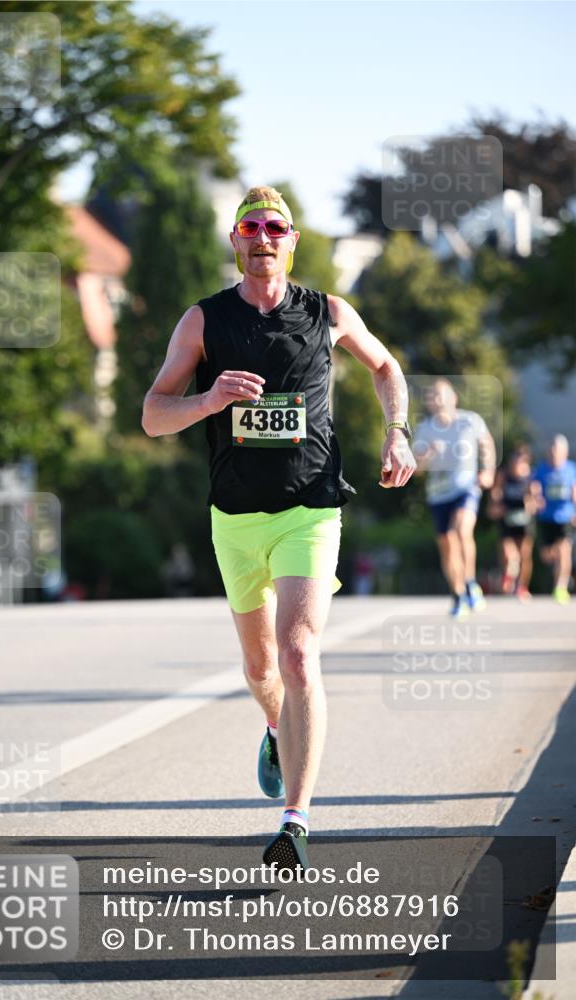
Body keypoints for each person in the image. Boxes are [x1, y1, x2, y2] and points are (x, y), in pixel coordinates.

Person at [142, 186, 416, 872]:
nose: (263, 237)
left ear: (291, 241)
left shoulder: (326, 311)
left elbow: (384, 366)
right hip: (233, 518)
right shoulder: (203, 321)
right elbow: (152, 414)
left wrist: (396, 434)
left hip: (310, 508)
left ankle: (293, 820)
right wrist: (208, 399)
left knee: (297, 657)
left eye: (276, 227)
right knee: (261, 669)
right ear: (234, 242)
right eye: (250, 227)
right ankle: (274, 725)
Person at [413, 378, 496, 618]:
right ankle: (458, 594)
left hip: (466, 487)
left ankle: (470, 581)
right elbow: (417, 469)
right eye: (432, 396)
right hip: (438, 494)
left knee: (462, 529)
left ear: (453, 398)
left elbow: (486, 443)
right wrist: (426, 455)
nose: (436, 400)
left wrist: (488, 470)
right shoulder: (425, 428)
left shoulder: (469, 421)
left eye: (441, 395)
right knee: (447, 545)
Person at [488, 446, 539, 601]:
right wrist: (497, 506)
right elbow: (494, 501)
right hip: (507, 522)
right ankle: (509, 574)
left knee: (525, 554)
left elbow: (536, 503)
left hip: (524, 522)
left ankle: (522, 587)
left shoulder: (530, 479)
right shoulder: (504, 477)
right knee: (509, 554)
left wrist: (530, 502)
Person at [532, 434, 576, 604]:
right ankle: (559, 573)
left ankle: (560, 587)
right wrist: (536, 500)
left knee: (564, 550)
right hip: (546, 518)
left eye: (557, 450)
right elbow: (534, 489)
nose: (554, 454)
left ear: (564, 452)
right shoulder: (541, 470)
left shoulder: (571, 469)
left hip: (565, 517)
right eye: (551, 450)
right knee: (547, 556)